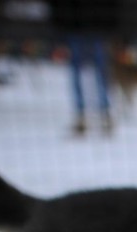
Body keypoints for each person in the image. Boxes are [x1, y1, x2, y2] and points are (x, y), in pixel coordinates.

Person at [50, 0, 119, 135]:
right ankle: (81, 115)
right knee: (77, 74)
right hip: (76, 27)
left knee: (101, 73)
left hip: (98, 27)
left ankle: (104, 113)